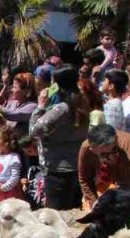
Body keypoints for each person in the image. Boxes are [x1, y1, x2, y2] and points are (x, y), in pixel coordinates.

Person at [30, 66, 91, 209]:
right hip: (75, 166)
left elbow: (35, 130)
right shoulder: (82, 103)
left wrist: (40, 106)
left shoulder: (62, 109)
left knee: (57, 215)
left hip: (58, 170)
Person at [78, 123, 130, 209]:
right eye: (104, 155)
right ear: (92, 150)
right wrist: (95, 205)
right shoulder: (86, 149)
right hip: (115, 181)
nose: (112, 157)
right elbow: (85, 179)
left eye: (114, 150)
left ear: (116, 140)